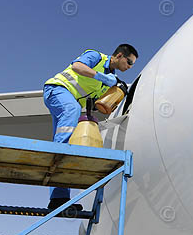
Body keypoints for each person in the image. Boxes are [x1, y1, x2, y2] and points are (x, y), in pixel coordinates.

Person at [43, 44, 138, 210]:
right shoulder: (96, 57)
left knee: (69, 125)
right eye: (129, 62)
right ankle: (61, 150)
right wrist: (101, 77)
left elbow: (94, 104)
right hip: (58, 89)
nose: (129, 67)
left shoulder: (110, 79)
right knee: (70, 117)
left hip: (68, 101)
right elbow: (77, 66)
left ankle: (58, 200)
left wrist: (115, 95)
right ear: (120, 55)